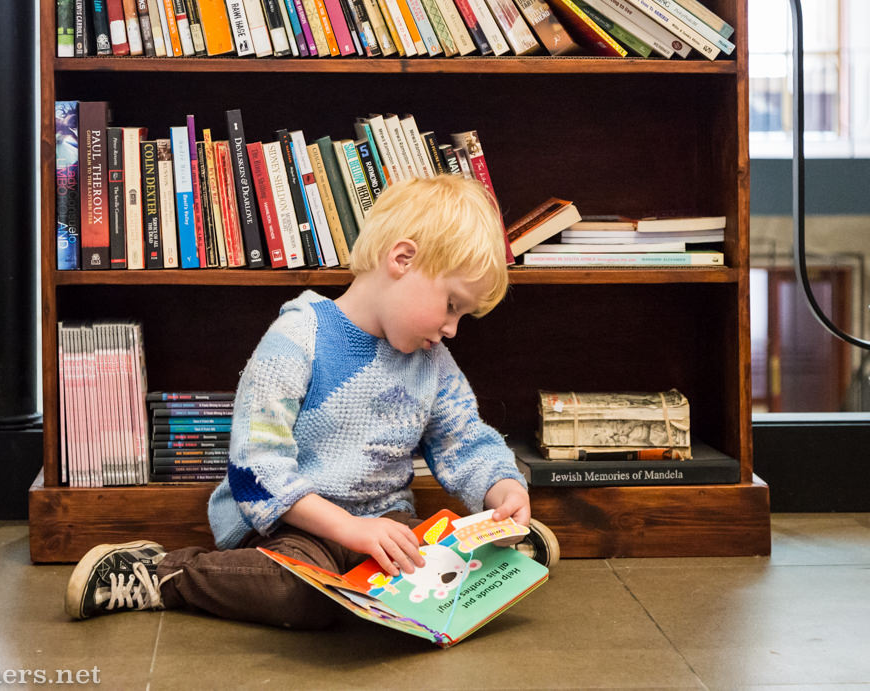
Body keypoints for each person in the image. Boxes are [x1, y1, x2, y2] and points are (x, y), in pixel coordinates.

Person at [64, 174, 559, 627]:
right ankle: (162, 574)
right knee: (297, 597)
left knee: (439, 573)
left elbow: (465, 440)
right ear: (402, 259)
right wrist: (346, 529)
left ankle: (501, 549)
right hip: (296, 525)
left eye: (461, 317)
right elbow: (257, 465)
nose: (450, 329)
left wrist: (502, 491)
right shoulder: (298, 338)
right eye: (451, 306)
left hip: (384, 522)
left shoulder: (432, 362)